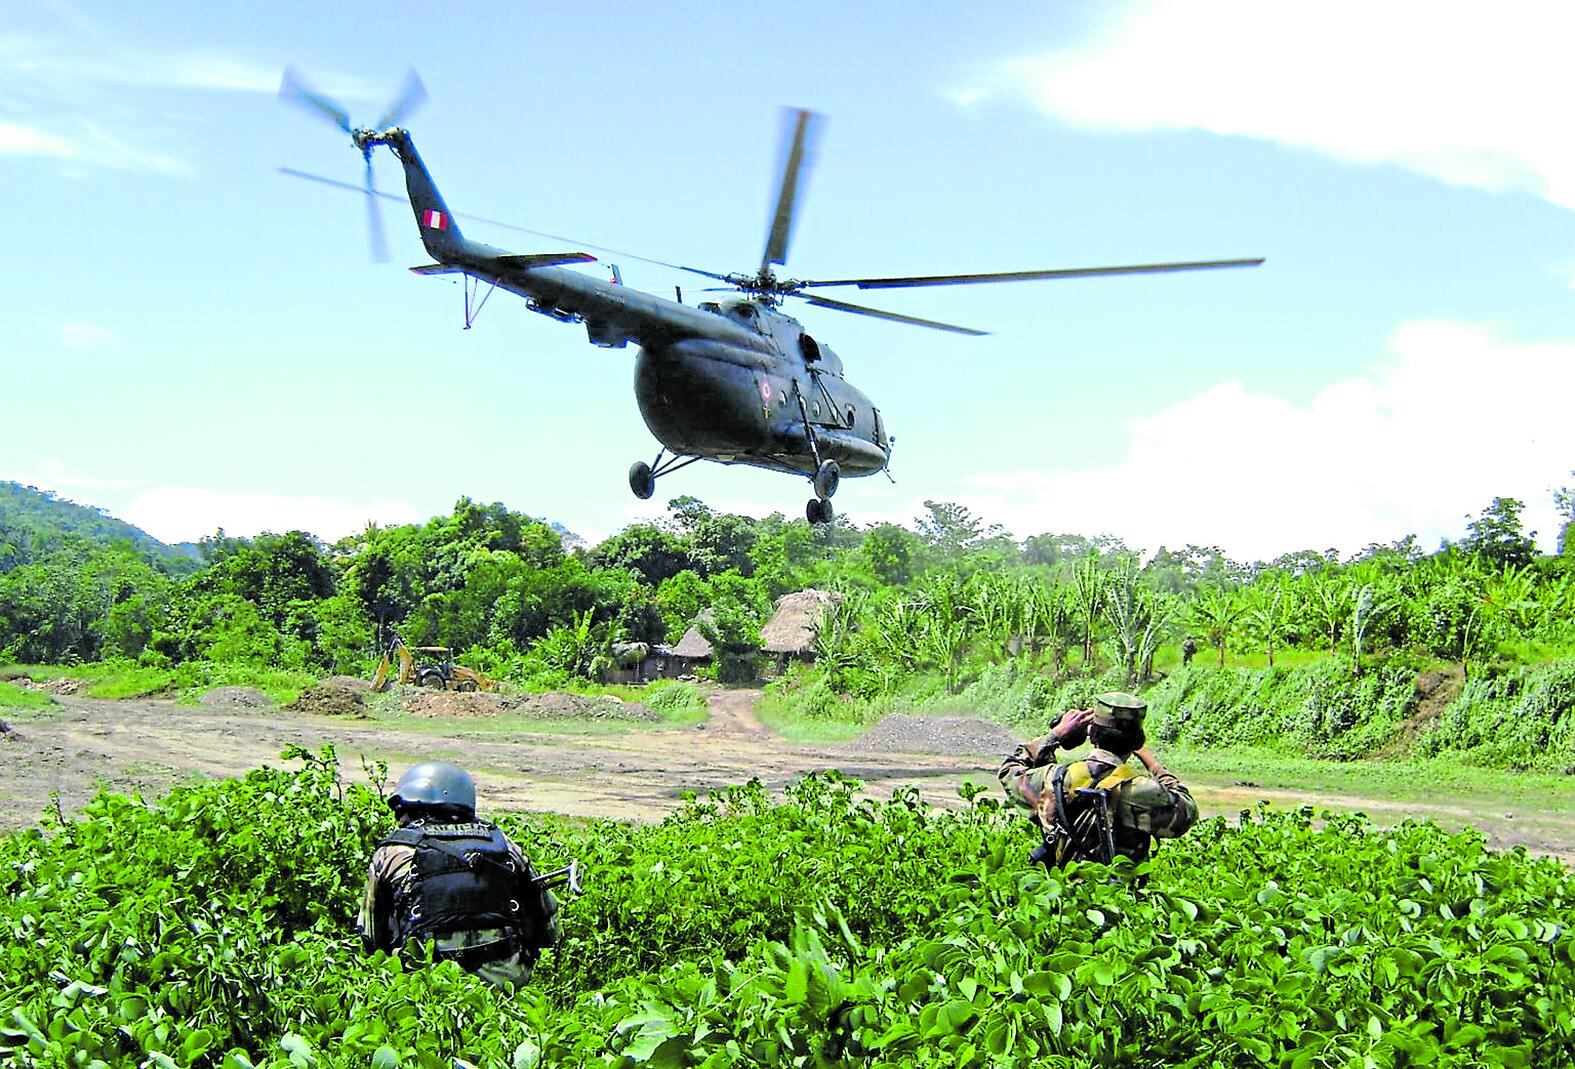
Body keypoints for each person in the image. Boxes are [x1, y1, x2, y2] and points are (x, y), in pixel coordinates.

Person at [358, 761, 559, 989]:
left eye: (403, 811)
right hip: (507, 987)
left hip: (425, 990)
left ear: (415, 807)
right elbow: (549, 931)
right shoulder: (506, 846)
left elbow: (371, 937)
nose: (400, 820)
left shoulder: (392, 853)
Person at [997, 692, 1198, 868]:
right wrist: (1152, 764)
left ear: (1092, 735)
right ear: (1138, 741)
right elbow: (1186, 812)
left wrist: (1055, 735)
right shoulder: (1142, 790)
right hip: (1118, 903)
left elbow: (1010, 772)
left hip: (1062, 899)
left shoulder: (1056, 778)